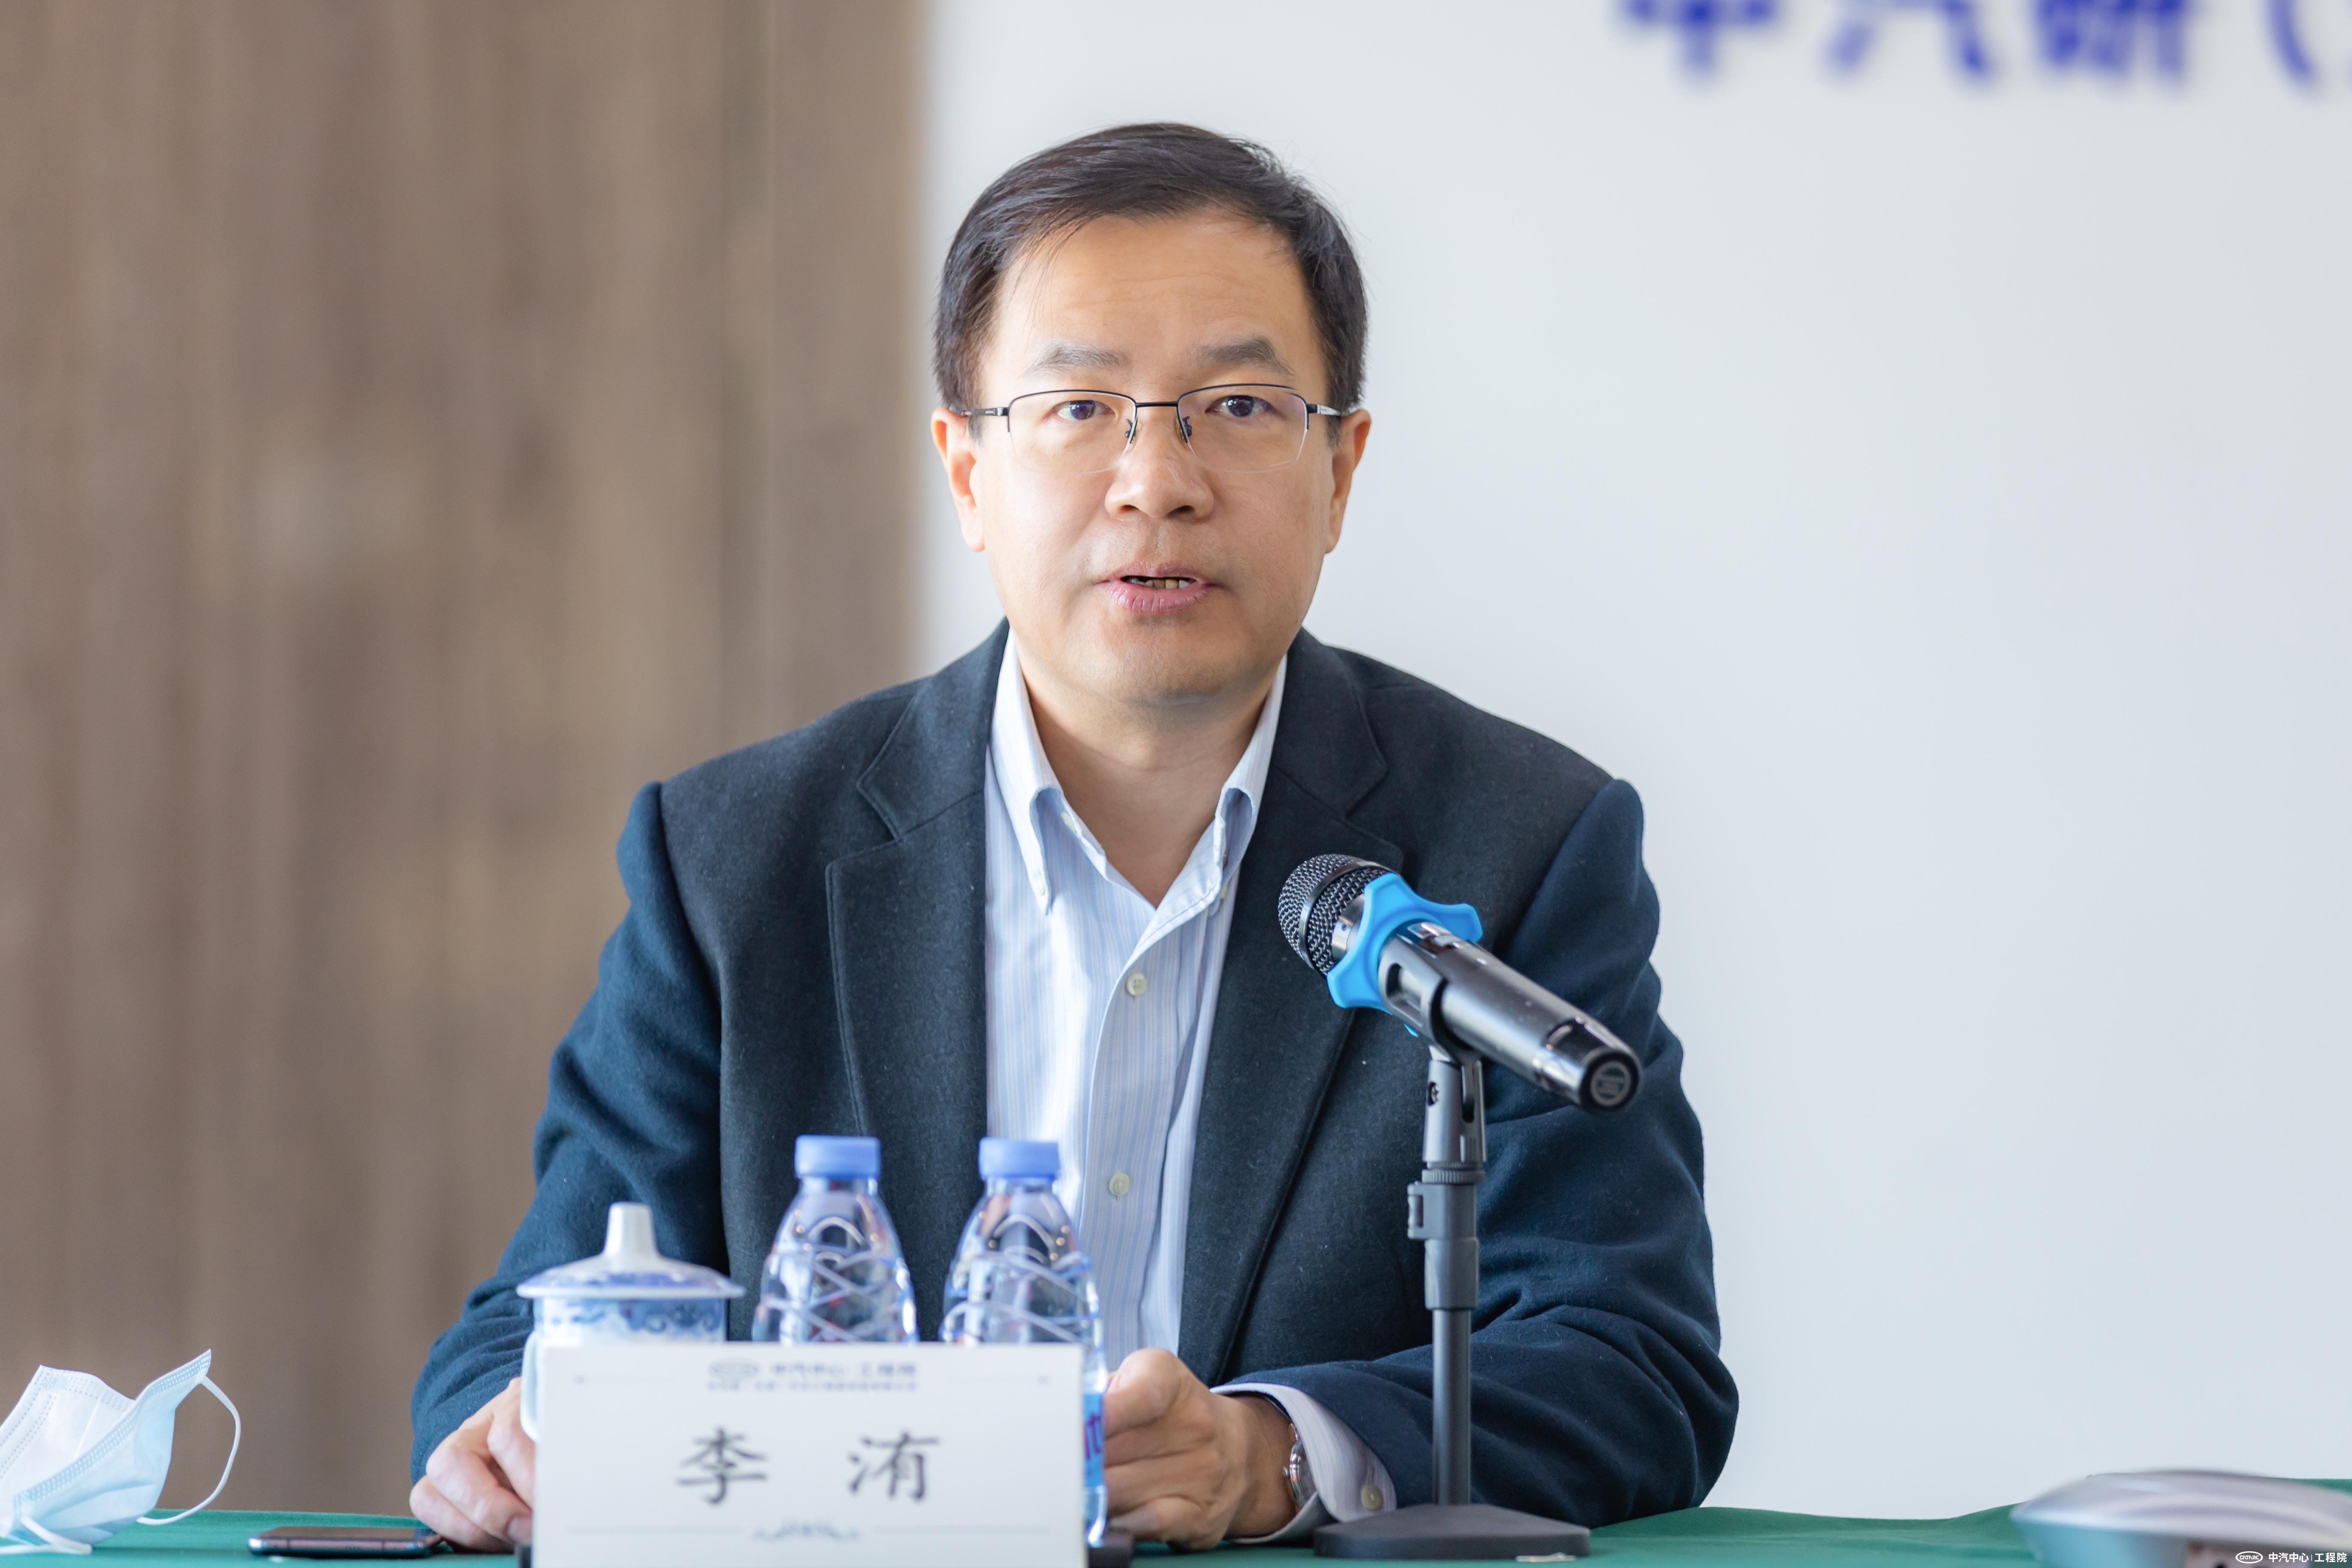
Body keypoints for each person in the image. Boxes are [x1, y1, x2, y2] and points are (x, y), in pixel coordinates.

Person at [409, 123, 1735, 1552]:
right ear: (968, 473)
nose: (1156, 480)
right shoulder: (738, 861)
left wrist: (1273, 1452)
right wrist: (513, 1437)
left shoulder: (1521, 844)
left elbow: (1630, 1356)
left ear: (1341, 470)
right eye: (1079, 407)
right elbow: (521, 1340)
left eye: (1238, 406)